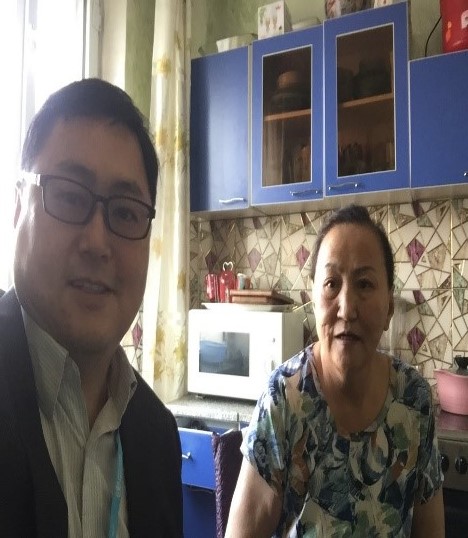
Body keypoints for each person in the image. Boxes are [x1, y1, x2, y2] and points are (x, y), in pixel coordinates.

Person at [0, 78, 183, 537]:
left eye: (125, 212)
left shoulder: (157, 435)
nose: (97, 242)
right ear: (18, 206)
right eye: (68, 195)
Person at [226, 204, 444, 537]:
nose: (346, 308)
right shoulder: (283, 400)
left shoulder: (415, 401)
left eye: (365, 284)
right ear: (313, 299)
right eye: (331, 283)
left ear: (389, 306)